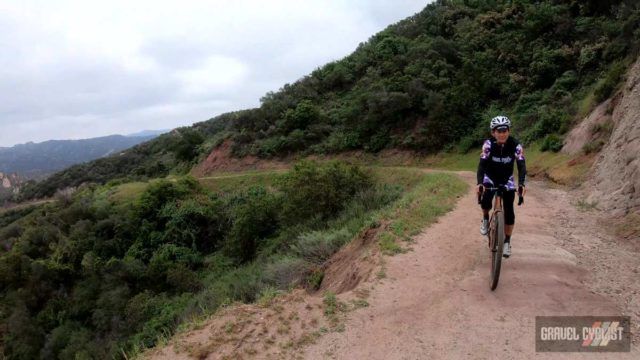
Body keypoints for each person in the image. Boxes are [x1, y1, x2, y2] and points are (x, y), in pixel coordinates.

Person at [477, 115, 526, 258]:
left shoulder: (515, 145)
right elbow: (481, 165)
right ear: (493, 133)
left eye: (505, 131)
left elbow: (522, 166)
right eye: (499, 131)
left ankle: (506, 242)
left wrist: (522, 184)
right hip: (490, 177)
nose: (502, 134)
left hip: (507, 180)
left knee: (509, 211)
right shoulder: (488, 145)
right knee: (486, 199)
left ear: (509, 131)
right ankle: (486, 219)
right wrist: (480, 183)